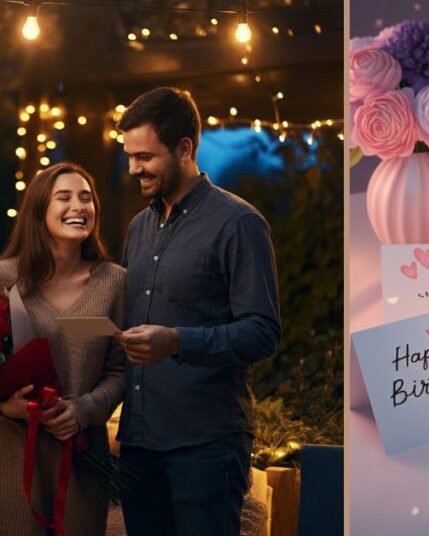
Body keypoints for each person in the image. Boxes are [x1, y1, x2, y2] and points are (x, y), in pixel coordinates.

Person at [115, 87, 281, 535]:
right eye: (130, 157)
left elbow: (262, 332)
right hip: (139, 443)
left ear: (184, 148)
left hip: (206, 446)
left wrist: (176, 340)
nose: (134, 169)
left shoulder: (238, 223)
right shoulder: (138, 227)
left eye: (145, 156)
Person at [0, 162, 127, 535]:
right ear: (39, 211)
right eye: (64, 197)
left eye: (86, 198)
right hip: (11, 458)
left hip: (82, 463)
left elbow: (123, 369)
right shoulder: (4, 277)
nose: (79, 206)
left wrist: (85, 409)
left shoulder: (114, 282)